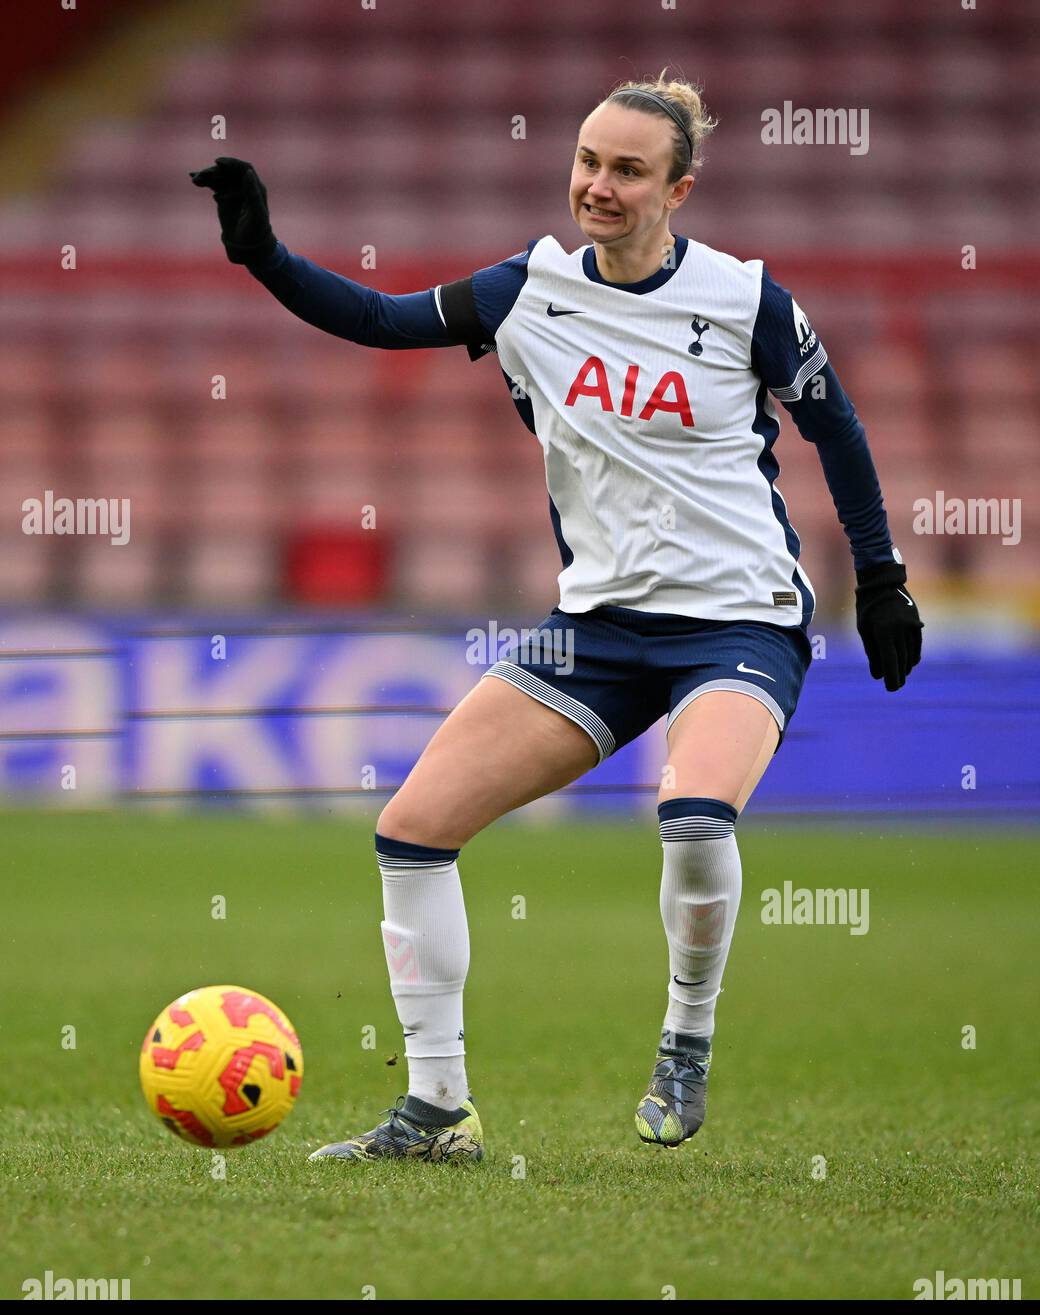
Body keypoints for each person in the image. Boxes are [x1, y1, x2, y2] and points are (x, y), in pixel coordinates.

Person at [190, 72, 923, 1164]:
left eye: (628, 169)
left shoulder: (742, 299)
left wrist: (881, 579)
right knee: (411, 828)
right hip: (597, 629)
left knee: (690, 811)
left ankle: (683, 1041)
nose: (598, 185)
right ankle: (436, 1113)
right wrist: (264, 255)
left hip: (737, 621)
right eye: (587, 161)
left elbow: (838, 428)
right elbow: (379, 320)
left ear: (680, 186)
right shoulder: (523, 290)